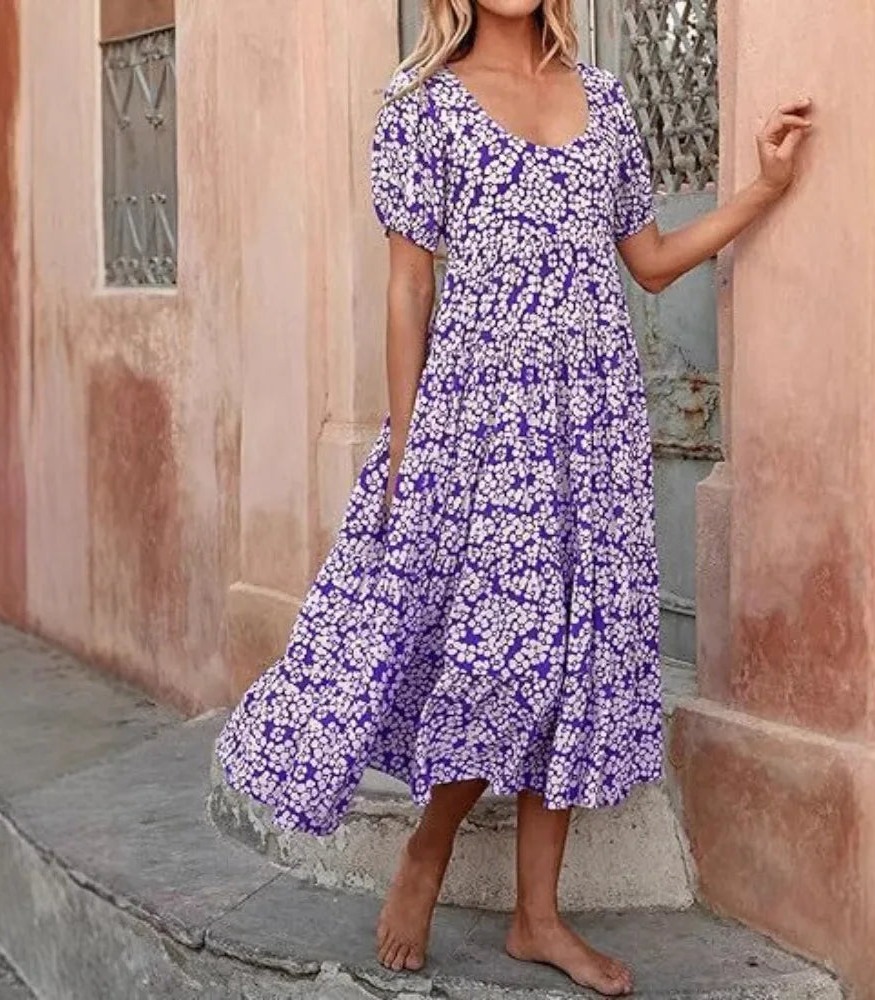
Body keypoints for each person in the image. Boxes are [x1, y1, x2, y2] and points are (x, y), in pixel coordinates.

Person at [214, 1, 812, 995]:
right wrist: (407, 442)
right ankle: (427, 845)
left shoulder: (610, 101)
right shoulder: (422, 110)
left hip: (594, 425)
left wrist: (764, 186)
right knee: (501, 651)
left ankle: (539, 916)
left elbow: (652, 263)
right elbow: (408, 288)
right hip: (476, 421)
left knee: (575, 654)